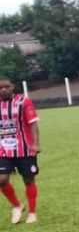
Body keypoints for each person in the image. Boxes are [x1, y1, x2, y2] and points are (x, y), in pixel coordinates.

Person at [0, 76, 41, 224]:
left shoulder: (24, 101)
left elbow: (33, 124)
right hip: (3, 150)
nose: (3, 90)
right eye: (0, 88)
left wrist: (36, 144)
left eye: (6, 87)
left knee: (28, 179)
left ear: (12, 87)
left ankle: (32, 213)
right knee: (2, 180)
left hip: (25, 148)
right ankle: (17, 206)